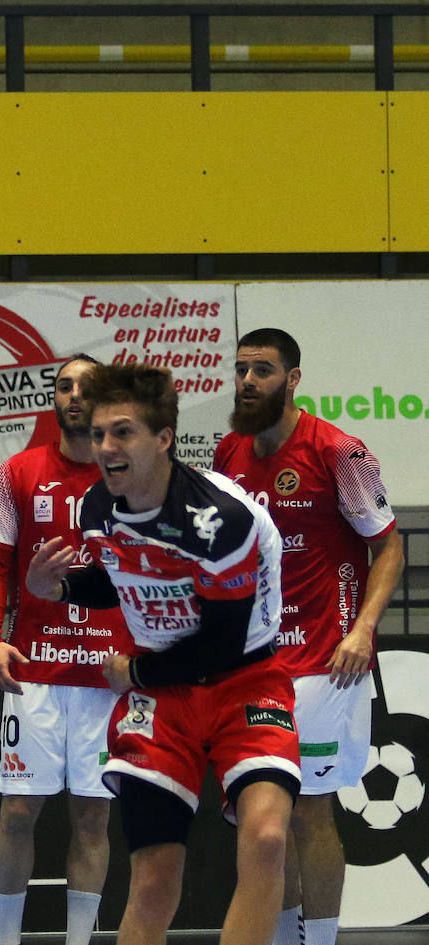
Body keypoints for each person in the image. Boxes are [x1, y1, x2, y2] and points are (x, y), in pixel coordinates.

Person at [24, 362, 299, 945]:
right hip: (164, 693)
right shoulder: (100, 507)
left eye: (122, 432)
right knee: (152, 880)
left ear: (163, 439)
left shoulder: (220, 521)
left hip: (245, 678)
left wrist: (135, 670)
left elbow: (222, 643)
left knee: (269, 840)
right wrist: (61, 587)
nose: (105, 447)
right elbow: (116, 579)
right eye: (99, 434)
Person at [213, 328, 403, 945]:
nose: (247, 381)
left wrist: (363, 630)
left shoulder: (336, 451)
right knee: (268, 817)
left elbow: (389, 545)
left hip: (325, 662)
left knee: (312, 813)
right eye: (241, 369)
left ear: (293, 380)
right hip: (255, 665)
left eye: (262, 370)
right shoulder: (228, 453)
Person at [0, 355, 131, 945]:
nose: (73, 395)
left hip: (107, 676)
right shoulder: (16, 472)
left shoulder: (132, 475)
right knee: (18, 811)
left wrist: (142, 655)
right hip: (34, 671)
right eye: (63, 386)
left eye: (85, 387)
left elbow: (157, 571)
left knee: (93, 816)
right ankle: (8, 941)